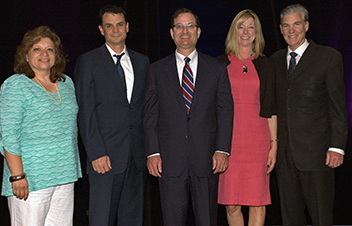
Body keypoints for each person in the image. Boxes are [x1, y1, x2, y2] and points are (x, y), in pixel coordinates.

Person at [144, 8, 234, 226]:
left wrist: (222, 150)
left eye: (190, 26)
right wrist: (152, 153)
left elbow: (225, 111)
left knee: (207, 220)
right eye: (179, 26)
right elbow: (149, 116)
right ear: (172, 33)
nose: (185, 31)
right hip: (168, 162)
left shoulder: (217, 69)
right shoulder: (156, 70)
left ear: (199, 32)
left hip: (207, 161)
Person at [0, 26, 82, 226]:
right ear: (25, 55)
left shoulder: (67, 83)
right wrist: (17, 176)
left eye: (50, 49)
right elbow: (8, 136)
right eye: (37, 49)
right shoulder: (16, 85)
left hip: (65, 175)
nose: (44, 54)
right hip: (31, 180)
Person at [270, 4, 348, 225]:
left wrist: (337, 147)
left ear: (306, 25)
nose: (291, 30)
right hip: (284, 157)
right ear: (280, 29)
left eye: (296, 24)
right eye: (286, 26)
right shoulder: (274, 60)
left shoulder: (328, 57)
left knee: (321, 216)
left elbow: (338, 106)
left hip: (318, 155)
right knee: (290, 218)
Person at [74, 5, 149, 226]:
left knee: (133, 220)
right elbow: (85, 111)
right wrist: (96, 152)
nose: (115, 30)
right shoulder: (88, 61)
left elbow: (144, 108)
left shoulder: (142, 62)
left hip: (136, 157)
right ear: (101, 29)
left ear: (127, 27)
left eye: (119, 25)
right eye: (109, 26)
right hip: (104, 159)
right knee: (101, 219)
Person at [217, 9, 277, 226]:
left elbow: (271, 108)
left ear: (256, 33)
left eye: (250, 27)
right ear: (234, 31)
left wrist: (274, 145)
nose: (245, 31)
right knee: (231, 203)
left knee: (257, 202)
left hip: (258, 144)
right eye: (241, 26)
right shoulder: (219, 64)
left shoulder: (266, 64)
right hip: (229, 143)